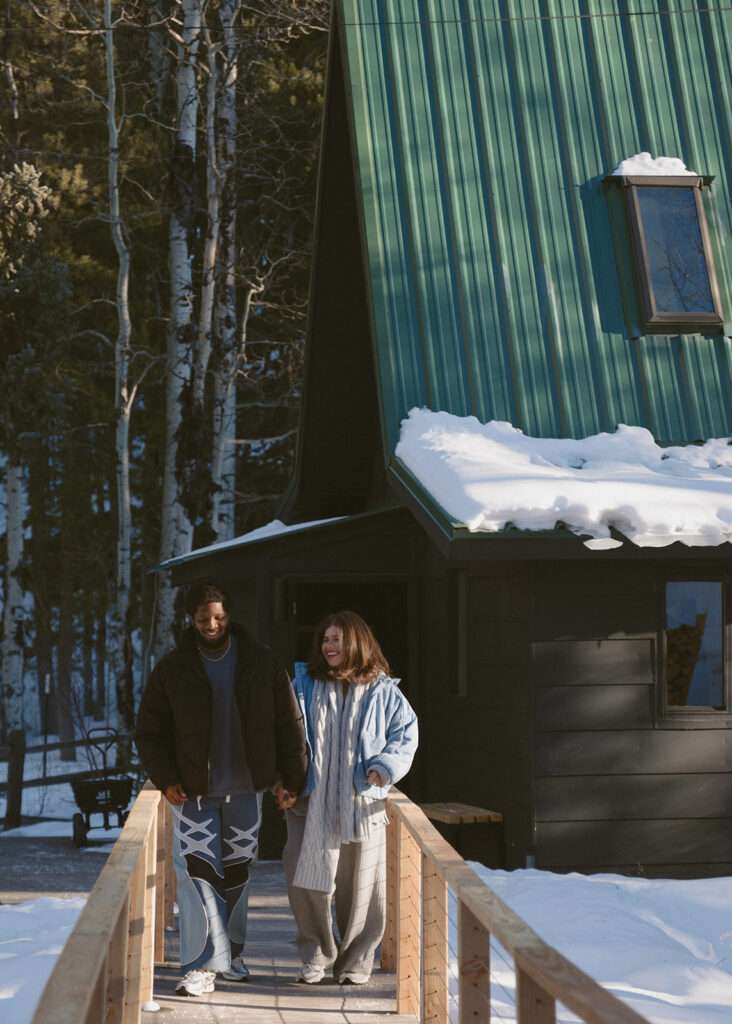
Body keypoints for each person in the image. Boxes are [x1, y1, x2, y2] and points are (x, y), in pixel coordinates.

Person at [134, 581, 307, 997]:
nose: (211, 625)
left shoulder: (263, 662)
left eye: (218, 617)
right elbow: (150, 731)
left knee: (236, 874)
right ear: (190, 619)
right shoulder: (173, 667)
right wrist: (166, 776)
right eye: (202, 618)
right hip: (193, 792)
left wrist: (292, 778)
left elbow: (289, 724)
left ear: (229, 615)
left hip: (248, 789)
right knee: (198, 873)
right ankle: (201, 965)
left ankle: (232, 955)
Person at [284, 610, 418, 986]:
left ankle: (357, 961)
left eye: (337, 640)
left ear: (357, 643)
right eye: (325, 639)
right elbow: (284, 735)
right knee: (305, 880)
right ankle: (314, 956)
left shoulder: (383, 690)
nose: (329, 646)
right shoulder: (303, 684)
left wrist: (385, 767)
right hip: (310, 800)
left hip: (362, 803)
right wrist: (284, 779)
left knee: (363, 886)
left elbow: (405, 734)